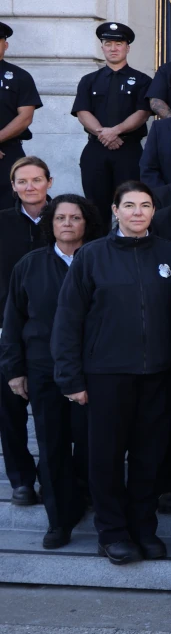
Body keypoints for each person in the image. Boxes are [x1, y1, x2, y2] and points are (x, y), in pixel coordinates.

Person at [51, 181, 171, 565]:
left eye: (145, 205)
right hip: (105, 376)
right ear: (114, 210)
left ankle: (144, 528)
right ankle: (111, 533)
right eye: (129, 205)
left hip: (157, 375)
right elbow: (68, 321)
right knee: (105, 459)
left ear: (154, 211)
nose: (137, 212)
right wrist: (71, 379)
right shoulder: (92, 256)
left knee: (148, 457)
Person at [1, 194, 100, 548]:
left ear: (86, 222)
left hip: (93, 372)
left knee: (92, 446)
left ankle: (92, 502)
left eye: (75, 217)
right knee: (53, 445)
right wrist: (14, 370)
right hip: (43, 372)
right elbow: (13, 322)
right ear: (50, 224)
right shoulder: (29, 265)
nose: (68, 223)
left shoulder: (99, 260)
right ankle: (59, 520)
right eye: (61, 218)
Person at [0, 156, 50, 502]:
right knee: (10, 408)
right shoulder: (1, 222)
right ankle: (21, 479)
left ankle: (59, 476)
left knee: (57, 415)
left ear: (49, 181)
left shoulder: (69, 216)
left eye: (36, 180)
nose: (30, 187)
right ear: (13, 186)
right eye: (22, 181)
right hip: (7, 329)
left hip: (53, 331)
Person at [73, 22, 151, 211]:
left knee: (130, 205)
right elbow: (82, 112)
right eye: (108, 44)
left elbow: (142, 113)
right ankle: (97, 241)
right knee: (94, 208)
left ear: (127, 47)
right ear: (102, 48)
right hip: (96, 149)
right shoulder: (89, 80)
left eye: (118, 44)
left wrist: (115, 131)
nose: (113, 48)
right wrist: (104, 134)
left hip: (128, 151)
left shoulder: (142, 80)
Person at [0, 21, 44, 209]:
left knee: (11, 209)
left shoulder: (19, 76)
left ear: (6, 45)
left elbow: (25, 117)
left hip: (9, 152)